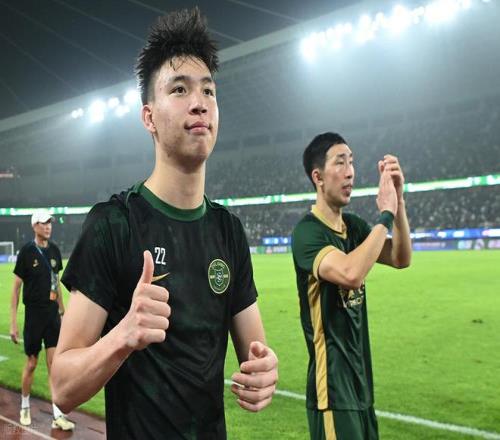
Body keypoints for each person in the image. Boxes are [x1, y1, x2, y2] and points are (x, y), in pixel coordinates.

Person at [51, 8, 278, 440]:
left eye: (208, 90)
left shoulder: (228, 231)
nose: (200, 102)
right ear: (149, 117)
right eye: (179, 89)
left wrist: (264, 373)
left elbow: (257, 354)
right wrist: (123, 335)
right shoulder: (114, 224)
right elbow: (62, 387)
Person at [292, 132, 412, 440]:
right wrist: (385, 214)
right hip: (332, 391)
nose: (350, 172)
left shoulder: (354, 227)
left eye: (352, 162)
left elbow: (400, 257)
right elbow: (350, 273)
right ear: (318, 177)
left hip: (361, 386)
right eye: (340, 162)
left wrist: (398, 203)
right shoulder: (307, 233)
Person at [10, 209, 75, 431]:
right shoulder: (27, 252)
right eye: (44, 223)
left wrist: (63, 313)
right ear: (34, 226)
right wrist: (13, 323)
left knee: (53, 366)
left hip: (52, 314)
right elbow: (16, 289)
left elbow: (56, 283)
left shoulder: (55, 250)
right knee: (31, 363)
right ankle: (25, 406)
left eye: (50, 223)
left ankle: (58, 414)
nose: (48, 226)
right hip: (34, 315)